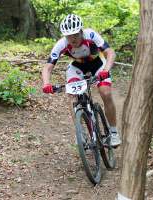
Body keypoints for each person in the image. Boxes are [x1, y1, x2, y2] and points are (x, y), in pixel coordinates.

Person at [41, 14, 121, 147]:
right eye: (68, 35)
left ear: (81, 31)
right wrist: (46, 83)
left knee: (105, 92)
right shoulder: (61, 44)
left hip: (97, 64)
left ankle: (113, 132)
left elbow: (110, 52)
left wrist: (106, 70)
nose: (72, 39)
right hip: (77, 67)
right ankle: (81, 133)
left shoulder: (91, 35)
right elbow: (47, 67)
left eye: (75, 35)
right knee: (72, 95)